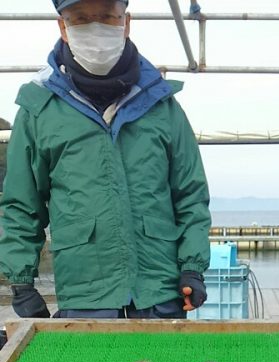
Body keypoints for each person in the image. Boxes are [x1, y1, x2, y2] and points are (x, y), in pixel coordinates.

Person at [0, 0, 211, 319]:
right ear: (63, 27)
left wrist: (192, 267)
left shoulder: (163, 105)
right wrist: (21, 283)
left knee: (166, 356)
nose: (95, 27)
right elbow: (22, 204)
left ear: (126, 23)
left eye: (107, 17)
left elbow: (190, 195)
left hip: (161, 293)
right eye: (80, 18)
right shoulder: (38, 109)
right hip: (84, 295)